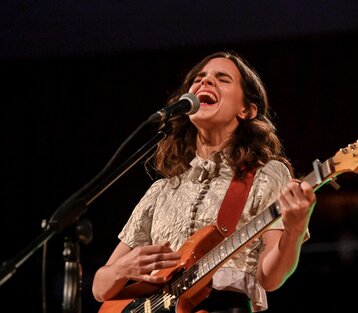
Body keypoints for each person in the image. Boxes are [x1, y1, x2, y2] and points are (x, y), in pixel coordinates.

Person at [91, 51, 317, 313]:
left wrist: (295, 230)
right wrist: (121, 270)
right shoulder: (161, 191)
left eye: (222, 79)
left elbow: (270, 278)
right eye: (199, 78)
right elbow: (99, 289)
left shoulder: (266, 174)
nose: (205, 81)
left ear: (246, 109)